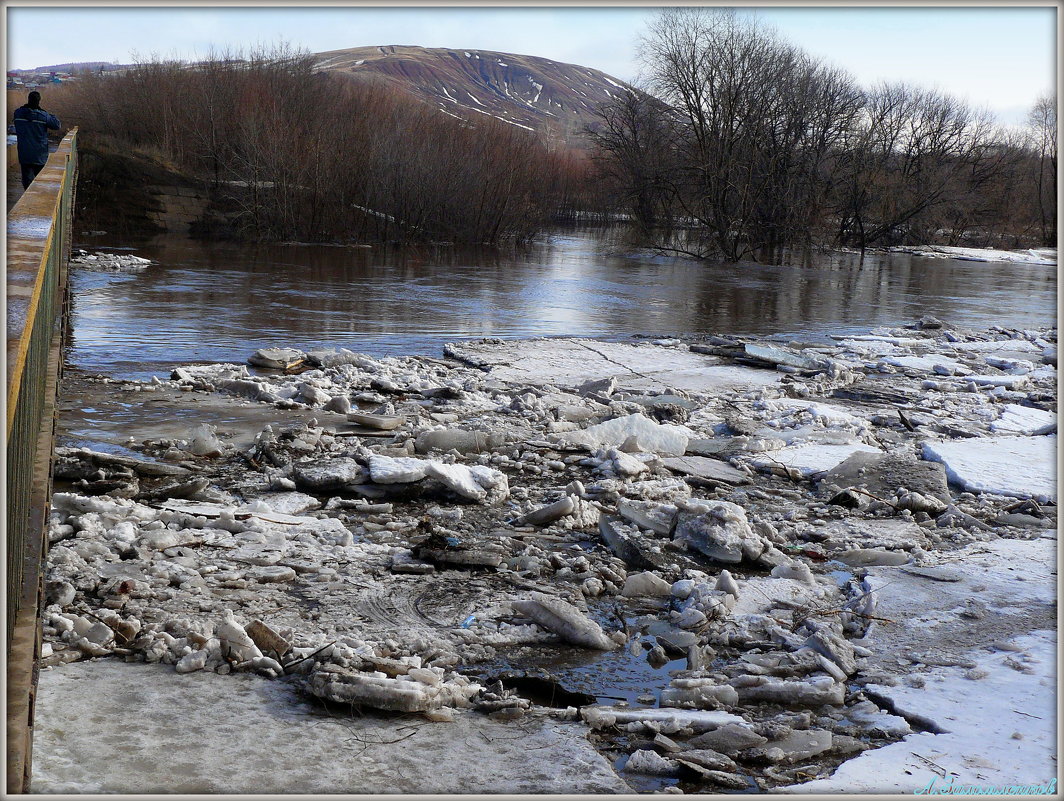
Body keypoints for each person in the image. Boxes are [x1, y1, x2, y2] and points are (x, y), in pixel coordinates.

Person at [13, 91, 60, 189]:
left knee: (27, 181)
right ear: (39, 101)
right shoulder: (43, 116)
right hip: (40, 154)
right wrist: (49, 114)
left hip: (24, 152)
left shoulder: (18, 113)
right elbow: (57, 125)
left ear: (28, 99)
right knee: (40, 181)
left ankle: (28, 199)